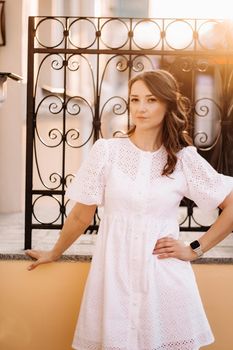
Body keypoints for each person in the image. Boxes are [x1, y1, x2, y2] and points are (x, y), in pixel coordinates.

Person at [26, 69, 233, 350]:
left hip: (164, 281)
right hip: (114, 278)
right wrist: (54, 252)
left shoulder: (183, 159)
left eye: (151, 100)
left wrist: (196, 248)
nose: (141, 108)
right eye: (135, 100)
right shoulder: (107, 151)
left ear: (167, 104)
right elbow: (80, 215)